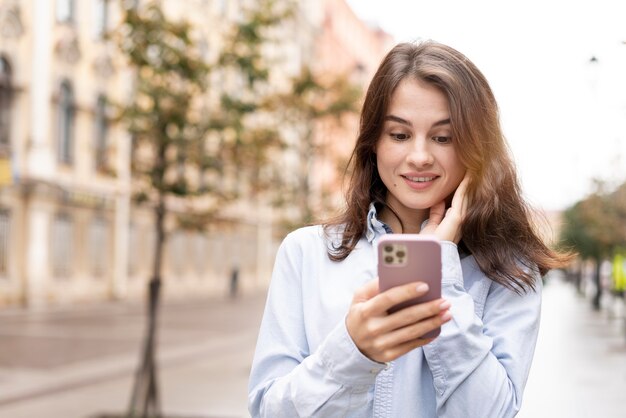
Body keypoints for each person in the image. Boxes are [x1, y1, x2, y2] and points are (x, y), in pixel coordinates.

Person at [248, 41, 571, 417]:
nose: (419, 156)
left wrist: (439, 269)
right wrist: (353, 352)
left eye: (443, 137)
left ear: (476, 148)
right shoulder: (305, 253)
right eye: (399, 135)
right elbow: (269, 410)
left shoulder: (510, 270)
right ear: (374, 142)